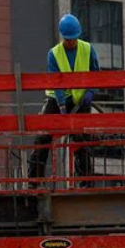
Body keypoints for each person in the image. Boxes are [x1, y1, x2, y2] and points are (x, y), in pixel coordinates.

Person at [27, 14, 99, 186]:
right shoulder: (54, 54)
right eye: (68, 39)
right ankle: (34, 180)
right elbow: (56, 82)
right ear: (63, 37)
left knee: (81, 140)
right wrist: (61, 106)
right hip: (58, 99)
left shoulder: (88, 49)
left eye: (73, 39)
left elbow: (96, 74)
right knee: (43, 138)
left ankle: (85, 181)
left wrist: (90, 92)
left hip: (81, 99)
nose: (71, 42)